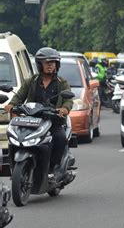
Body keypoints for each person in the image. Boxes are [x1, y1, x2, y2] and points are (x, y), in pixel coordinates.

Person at [4, 47, 73, 175]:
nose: (50, 65)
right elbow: (19, 96)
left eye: (53, 63)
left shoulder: (62, 83)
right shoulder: (31, 81)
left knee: (60, 138)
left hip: (52, 120)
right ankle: (13, 167)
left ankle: (53, 167)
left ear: (57, 65)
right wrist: (11, 104)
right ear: (39, 64)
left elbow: (68, 100)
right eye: (47, 62)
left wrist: (64, 108)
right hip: (31, 119)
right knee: (14, 136)